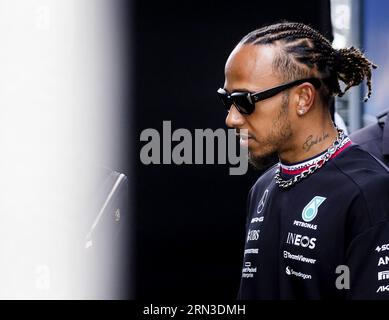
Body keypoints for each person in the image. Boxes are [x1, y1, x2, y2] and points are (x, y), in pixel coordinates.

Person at [217, 22, 389, 299]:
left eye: (245, 100)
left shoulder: (369, 193)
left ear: (303, 98)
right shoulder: (263, 188)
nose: (232, 118)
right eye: (227, 101)